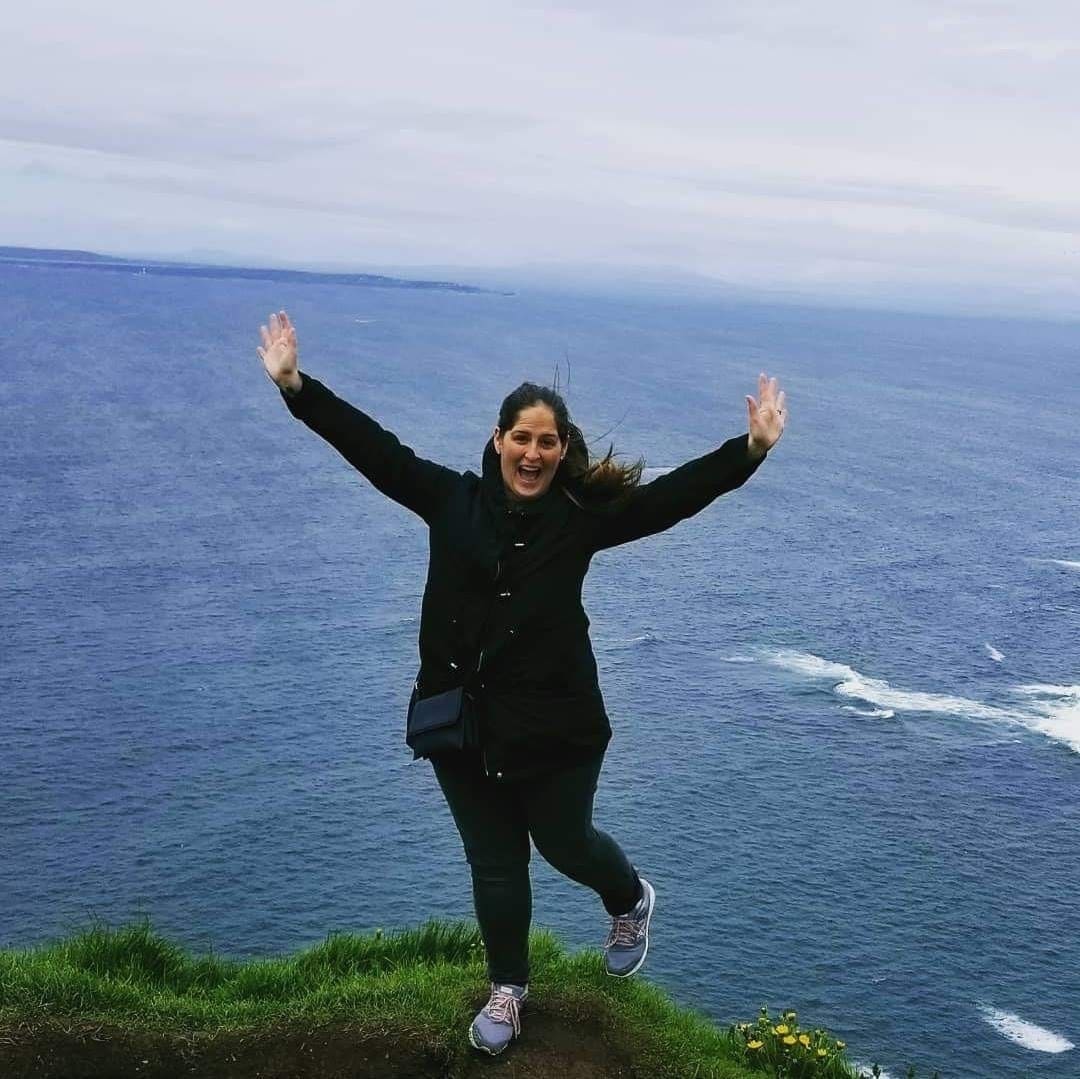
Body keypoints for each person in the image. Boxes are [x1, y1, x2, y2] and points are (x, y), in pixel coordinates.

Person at [257, 308, 785, 1056]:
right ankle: (508, 989)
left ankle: (630, 899)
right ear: (498, 440)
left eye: (546, 441)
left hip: (556, 726)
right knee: (496, 864)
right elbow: (373, 449)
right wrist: (297, 387)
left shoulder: (581, 519)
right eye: (521, 438)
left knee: (564, 842)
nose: (532, 453)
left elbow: (669, 499)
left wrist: (751, 450)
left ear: (561, 448)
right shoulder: (449, 500)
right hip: (461, 724)